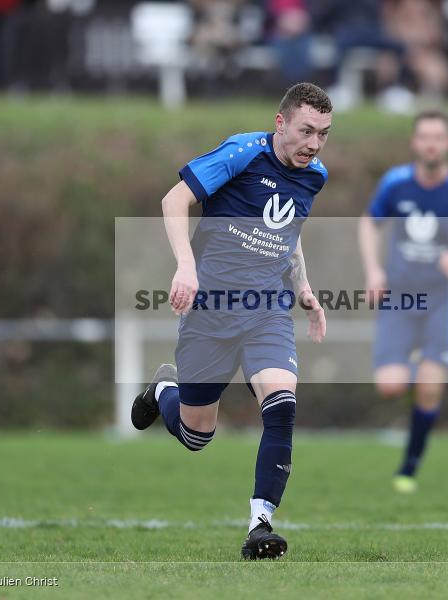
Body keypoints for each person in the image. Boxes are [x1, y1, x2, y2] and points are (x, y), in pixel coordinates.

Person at [131, 82, 331, 560]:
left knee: (282, 404)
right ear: (280, 122)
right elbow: (174, 200)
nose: (314, 144)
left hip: (266, 309)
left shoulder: (314, 174)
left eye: (324, 134)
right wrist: (185, 266)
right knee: (198, 435)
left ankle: (260, 525)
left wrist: (303, 286)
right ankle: (165, 391)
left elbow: (288, 231)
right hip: (210, 310)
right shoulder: (242, 153)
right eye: (306, 131)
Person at [358, 110, 448, 494]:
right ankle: (418, 359)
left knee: (430, 388)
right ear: (415, 142)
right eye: (424, 137)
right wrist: (373, 270)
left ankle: (409, 468)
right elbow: (369, 223)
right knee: (390, 386)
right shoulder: (395, 184)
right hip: (399, 297)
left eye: (438, 137)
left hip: (442, 301)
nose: (431, 143)